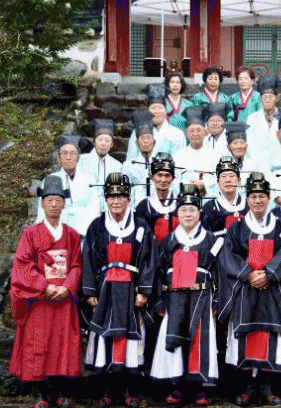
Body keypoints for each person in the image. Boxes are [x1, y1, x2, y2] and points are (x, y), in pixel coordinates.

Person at [217, 172, 281, 406]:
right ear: (247, 199)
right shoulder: (237, 228)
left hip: (271, 291)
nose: (258, 201)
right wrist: (248, 273)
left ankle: (267, 387)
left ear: (269, 199)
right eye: (253, 196)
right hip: (245, 289)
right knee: (246, 336)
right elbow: (228, 256)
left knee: (268, 336)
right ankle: (246, 387)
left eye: (262, 196)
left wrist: (268, 274)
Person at [82, 172, 156, 408]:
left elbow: (149, 259)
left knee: (130, 340)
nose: (116, 202)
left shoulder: (141, 226)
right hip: (105, 289)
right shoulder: (97, 226)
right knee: (105, 338)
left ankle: (128, 390)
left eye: (121, 197)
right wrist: (90, 291)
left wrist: (144, 290)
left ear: (128, 199)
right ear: (106, 200)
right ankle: (107, 390)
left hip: (131, 290)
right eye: (111, 197)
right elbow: (88, 258)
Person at [9, 175, 82, 408]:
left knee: (62, 344)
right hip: (40, 297)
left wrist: (68, 287)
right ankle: (40, 395)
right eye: (49, 200)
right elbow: (23, 265)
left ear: (64, 204)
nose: (53, 204)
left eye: (58, 200)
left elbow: (76, 265)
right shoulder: (30, 234)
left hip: (64, 298)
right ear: (42, 203)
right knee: (38, 343)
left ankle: (60, 392)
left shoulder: (72, 235)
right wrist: (44, 286)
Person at [150, 184, 223, 405]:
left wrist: (216, 300)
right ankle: (178, 386)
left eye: (192, 210)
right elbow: (159, 273)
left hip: (202, 298)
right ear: (177, 213)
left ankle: (201, 388)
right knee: (176, 340)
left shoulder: (211, 240)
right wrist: (160, 301)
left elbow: (219, 272)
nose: (188, 214)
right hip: (175, 299)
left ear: (199, 212)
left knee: (201, 341)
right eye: (183, 210)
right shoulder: (168, 241)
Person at [36, 135, 99, 236]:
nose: (68, 158)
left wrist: (83, 232)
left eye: (72, 153)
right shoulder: (50, 179)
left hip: (82, 231)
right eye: (64, 154)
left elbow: (93, 210)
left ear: (78, 157)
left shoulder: (89, 180)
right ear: (59, 158)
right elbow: (42, 210)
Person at [78, 119, 123, 212]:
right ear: (94, 142)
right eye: (100, 139)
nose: (103, 143)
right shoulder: (80, 161)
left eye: (107, 140)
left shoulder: (117, 165)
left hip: (109, 210)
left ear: (112, 144)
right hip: (85, 209)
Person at [134, 152, 179, 245]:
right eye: (159, 175)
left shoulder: (180, 205)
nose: (163, 180)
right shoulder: (143, 206)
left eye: (167, 175)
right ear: (152, 177)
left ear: (173, 178)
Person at [126, 92, 185, 161]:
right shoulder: (137, 132)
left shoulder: (177, 134)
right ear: (147, 111)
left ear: (166, 111)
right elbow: (131, 159)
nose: (157, 111)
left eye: (160, 108)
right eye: (153, 108)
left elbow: (180, 160)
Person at [173, 106, 217, 198]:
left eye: (199, 130)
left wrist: (204, 185)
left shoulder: (214, 155)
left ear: (205, 132)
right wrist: (189, 185)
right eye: (191, 131)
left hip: (208, 198)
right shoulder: (178, 156)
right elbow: (174, 181)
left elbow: (218, 179)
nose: (195, 134)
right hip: (185, 198)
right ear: (186, 133)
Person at [201, 156, 248, 238]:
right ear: (218, 182)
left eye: (231, 176)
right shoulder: (208, 207)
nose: (227, 180)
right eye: (223, 176)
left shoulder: (248, 205)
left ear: (239, 180)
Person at [122, 113, 158, 208]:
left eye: (148, 138)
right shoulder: (128, 165)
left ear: (154, 142)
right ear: (137, 143)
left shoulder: (160, 164)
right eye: (142, 138)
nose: (145, 141)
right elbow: (125, 191)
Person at [245, 88, 281, 173]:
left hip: (278, 162)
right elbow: (249, 142)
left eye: (271, 97)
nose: (267, 100)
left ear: (276, 99)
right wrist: (257, 161)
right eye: (264, 97)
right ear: (261, 99)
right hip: (256, 162)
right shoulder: (252, 118)